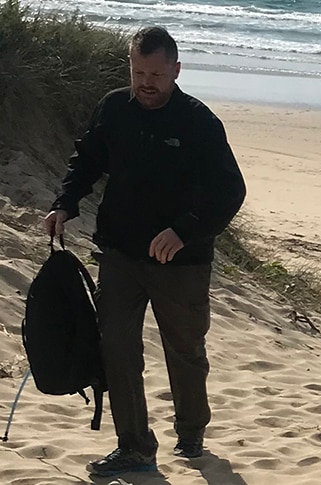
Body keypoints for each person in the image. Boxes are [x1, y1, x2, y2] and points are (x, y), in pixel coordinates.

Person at [43, 27, 246, 477]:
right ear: (129, 67)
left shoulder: (199, 122)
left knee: (186, 349)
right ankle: (135, 445)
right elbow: (87, 159)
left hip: (182, 262)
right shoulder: (114, 107)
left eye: (156, 73)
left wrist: (183, 231)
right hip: (119, 252)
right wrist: (65, 203)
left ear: (176, 70)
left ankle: (191, 430)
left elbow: (230, 191)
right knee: (117, 348)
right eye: (138, 72)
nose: (146, 82)